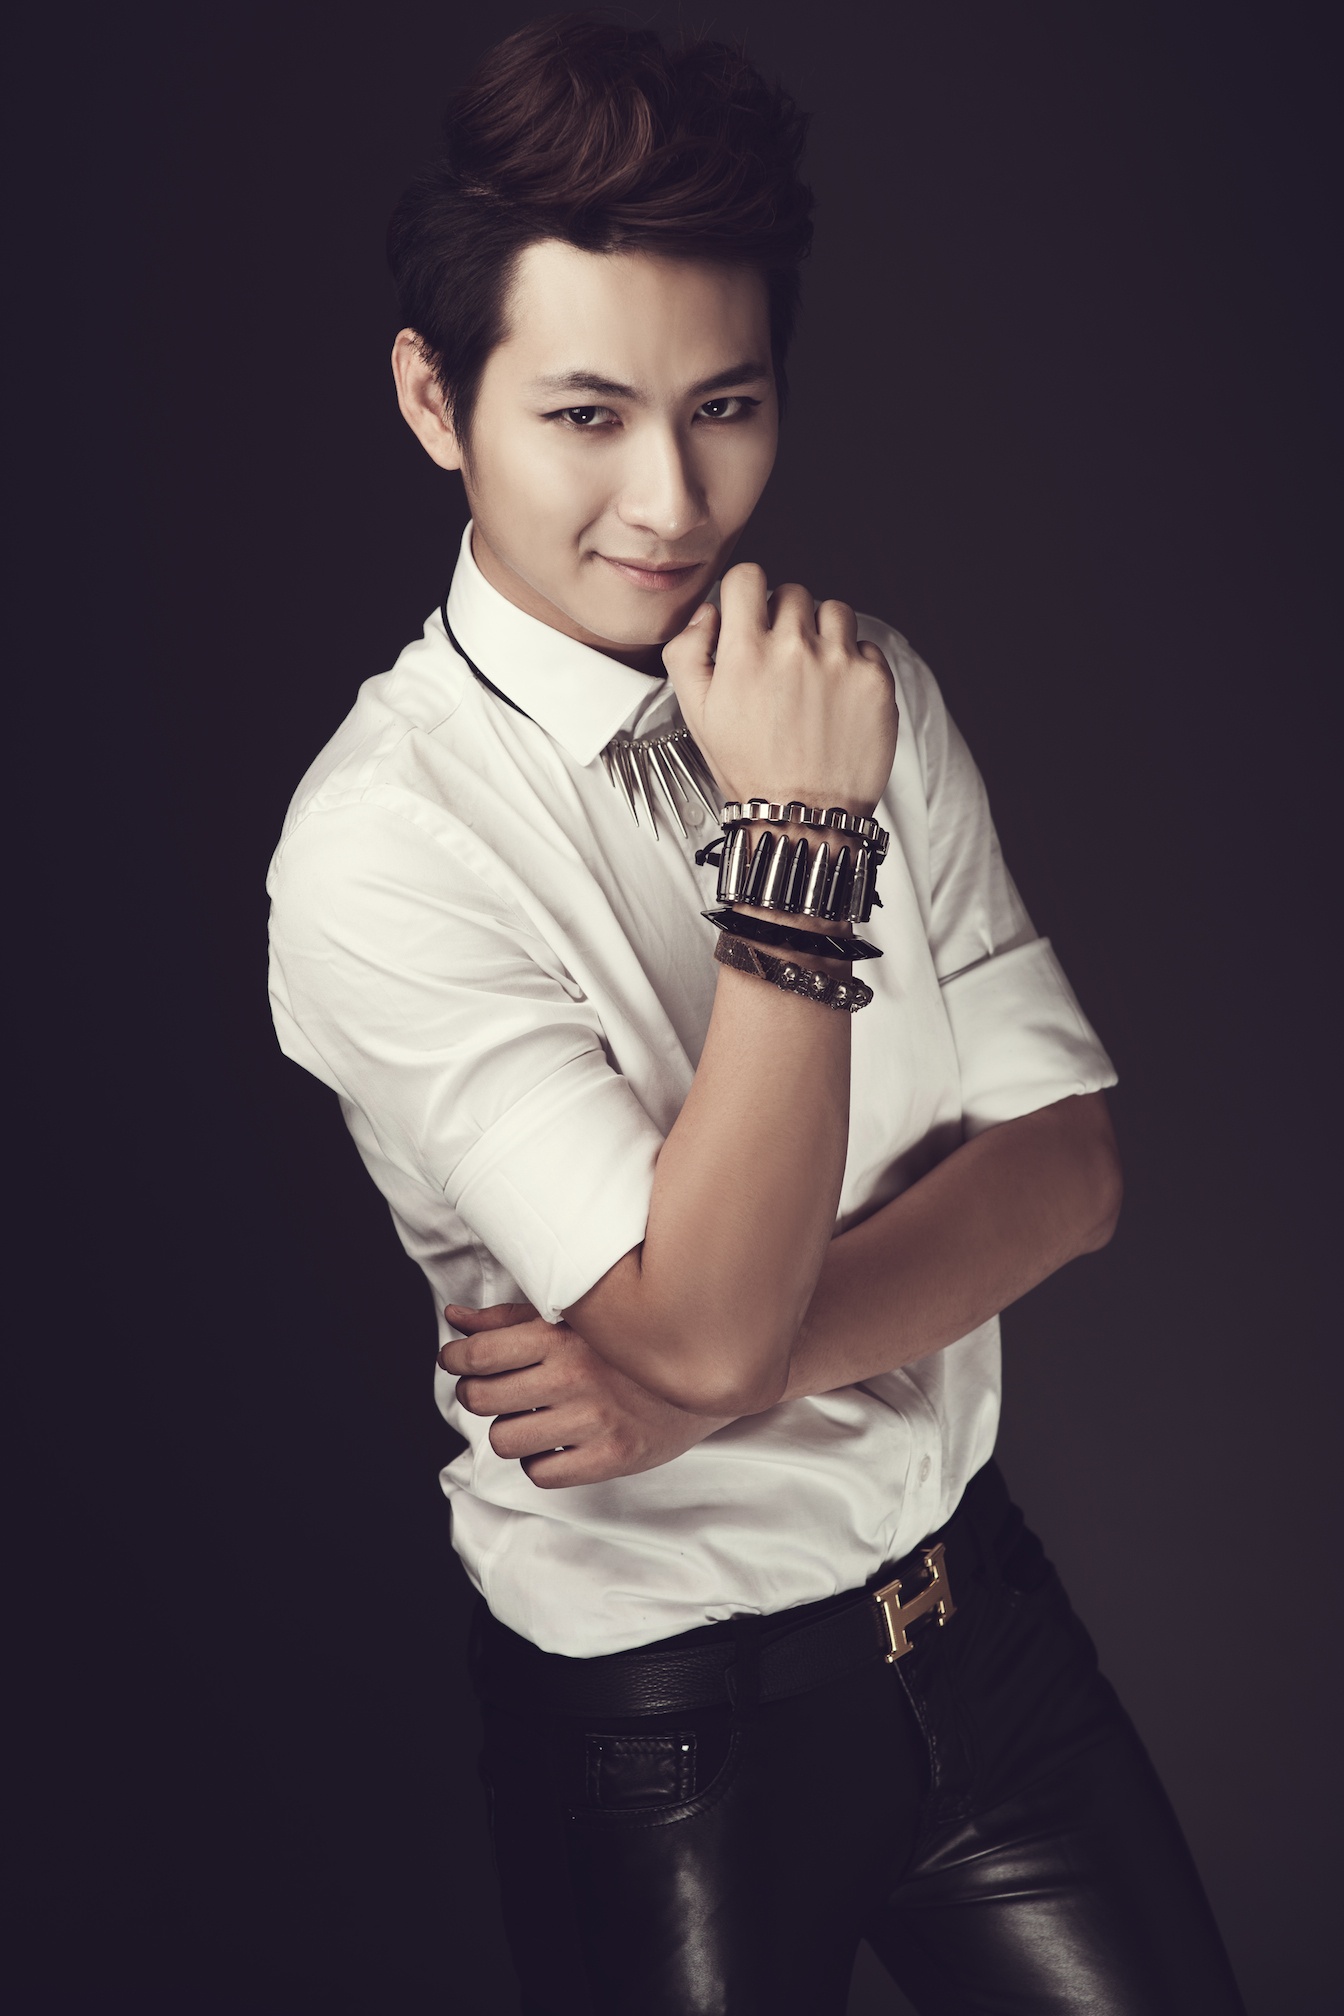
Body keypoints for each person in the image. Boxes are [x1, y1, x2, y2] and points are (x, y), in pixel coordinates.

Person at [266, 16, 1246, 2013]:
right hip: (668, 1734)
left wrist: (697, 1390)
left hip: (987, 1632)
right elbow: (706, 1316)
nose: (670, 495)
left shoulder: (855, 684)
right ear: (435, 399)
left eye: (725, 404)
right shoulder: (381, 847)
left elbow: (1069, 1173)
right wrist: (799, 839)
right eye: (586, 414)